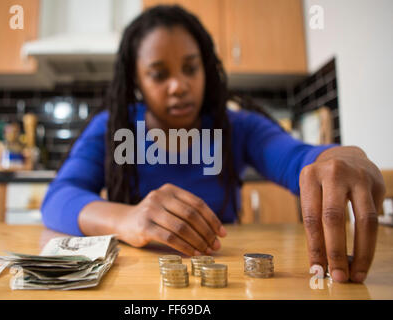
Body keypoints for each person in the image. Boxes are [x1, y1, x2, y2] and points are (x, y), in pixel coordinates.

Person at [41, 5, 385, 284]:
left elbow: (299, 159)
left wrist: (336, 156)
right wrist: (127, 218)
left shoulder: (237, 127)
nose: (178, 85)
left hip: (226, 280)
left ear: (206, 69)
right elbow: (58, 198)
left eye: (191, 68)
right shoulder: (114, 129)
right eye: (159, 75)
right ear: (137, 82)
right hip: (131, 284)